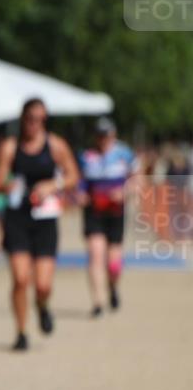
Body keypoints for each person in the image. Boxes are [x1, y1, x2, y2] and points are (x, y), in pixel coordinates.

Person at [0, 98, 79, 351]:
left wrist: (53, 185)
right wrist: (9, 186)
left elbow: (73, 175)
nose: (34, 124)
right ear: (22, 118)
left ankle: (42, 306)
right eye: (30, 118)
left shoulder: (55, 145)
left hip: (45, 220)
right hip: (18, 217)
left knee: (43, 284)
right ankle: (20, 332)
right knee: (20, 279)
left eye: (40, 119)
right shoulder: (10, 147)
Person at [77, 117, 136, 317]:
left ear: (113, 135)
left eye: (106, 136)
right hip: (94, 212)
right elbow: (78, 181)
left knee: (113, 262)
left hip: (115, 212)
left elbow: (137, 180)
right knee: (95, 255)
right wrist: (79, 193)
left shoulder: (124, 154)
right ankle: (98, 302)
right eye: (99, 136)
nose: (103, 140)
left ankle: (113, 286)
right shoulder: (86, 156)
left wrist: (124, 192)